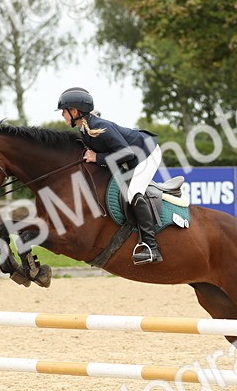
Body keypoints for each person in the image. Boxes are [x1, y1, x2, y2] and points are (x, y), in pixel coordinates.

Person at [57, 87, 164, 265]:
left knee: (133, 193)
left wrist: (97, 157)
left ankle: (151, 247)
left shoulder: (100, 127)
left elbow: (127, 153)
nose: (62, 115)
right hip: (132, 157)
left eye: (64, 111)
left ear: (75, 111)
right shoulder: (84, 129)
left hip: (147, 153)